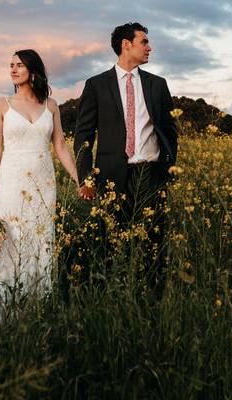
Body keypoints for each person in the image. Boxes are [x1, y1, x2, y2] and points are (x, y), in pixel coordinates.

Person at [73, 22, 178, 295]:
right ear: (125, 45)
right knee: (110, 246)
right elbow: (84, 137)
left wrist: (168, 170)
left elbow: (169, 132)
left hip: (152, 176)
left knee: (153, 247)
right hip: (112, 177)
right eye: (144, 41)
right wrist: (86, 178)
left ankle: (151, 303)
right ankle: (112, 300)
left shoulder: (158, 85)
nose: (149, 47)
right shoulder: (96, 85)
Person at [0, 49, 79, 317]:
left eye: (19, 65)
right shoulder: (2, 104)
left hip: (44, 183)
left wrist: (78, 178)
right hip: (11, 183)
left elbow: (60, 146)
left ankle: (39, 308)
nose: (13, 69)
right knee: (11, 241)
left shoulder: (52, 105)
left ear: (33, 70)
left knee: (42, 241)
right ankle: (5, 311)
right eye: (10, 65)